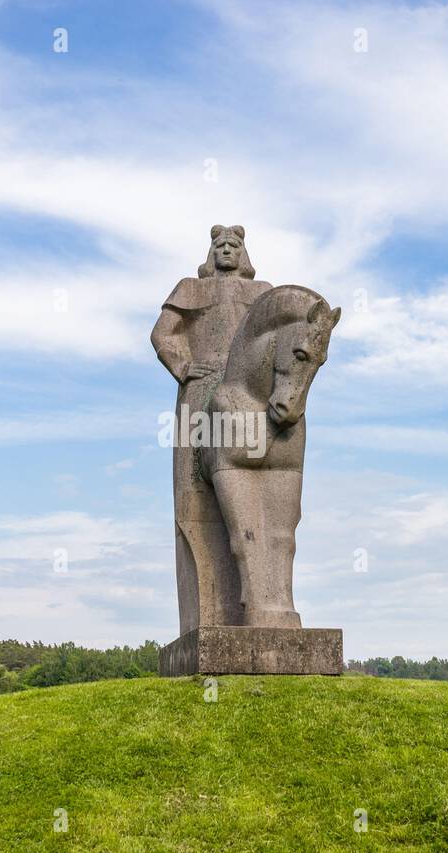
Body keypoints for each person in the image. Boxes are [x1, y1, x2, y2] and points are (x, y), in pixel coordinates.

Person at [152, 225, 271, 633]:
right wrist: (184, 367)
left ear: (243, 253)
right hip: (201, 390)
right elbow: (162, 334)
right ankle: (206, 620)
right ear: (210, 252)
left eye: (233, 245)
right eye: (219, 245)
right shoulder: (190, 288)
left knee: (252, 491)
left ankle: (264, 607)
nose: (225, 250)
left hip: (248, 397)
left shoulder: (262, 293)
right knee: (198, 496)